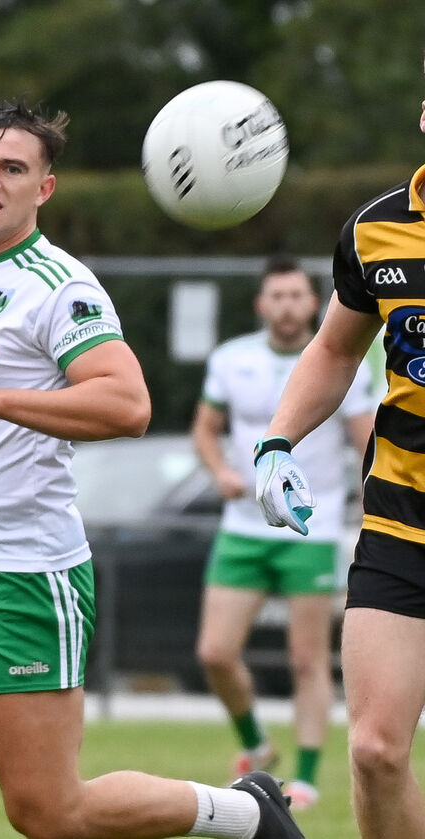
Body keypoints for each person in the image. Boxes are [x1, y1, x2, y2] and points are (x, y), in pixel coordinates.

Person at [0, 100, 307, 839]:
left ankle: (243, 811)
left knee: (48, 810)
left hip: (20, 577)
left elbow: (127, 402)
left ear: (44, 189)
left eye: (13, 169)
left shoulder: (59, 285)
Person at [256, 57, 425, 839]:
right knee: (376, 749)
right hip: (400, 519)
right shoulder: (376, 229)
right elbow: (333, 350)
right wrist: (276, 442)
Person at [192, 257, 374, 810]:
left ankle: (310, 777)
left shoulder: (344, 363)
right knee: (215, 653)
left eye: (297, 295)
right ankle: (258, 746)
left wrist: (373, 511)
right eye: (278, 296)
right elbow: (206, 428)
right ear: (261, 304)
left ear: (313, 303)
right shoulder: (231, 359)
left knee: (306, 659)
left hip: (309, 532)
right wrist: (221, 471)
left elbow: (364, 440)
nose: (288, 305)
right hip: (243, 529)